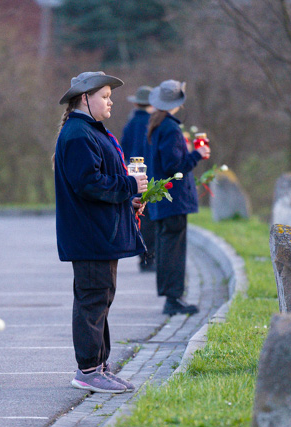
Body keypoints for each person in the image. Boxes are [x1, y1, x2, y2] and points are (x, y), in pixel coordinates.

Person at [54, 71, 148, 394]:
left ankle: (99, 366)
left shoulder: (88, 130)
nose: (110, 102)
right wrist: (129, 185)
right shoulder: (79, 134)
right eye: (105, 96)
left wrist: (129, 200)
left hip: (99, 234)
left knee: (101, 299)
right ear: (85, 98)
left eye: (110, 97)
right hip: (90, 236)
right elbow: (89, 184)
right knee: (93, 301)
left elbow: (101, 183)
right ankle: (88, 370)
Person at [146, 79, 210, 315]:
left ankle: (170, 298)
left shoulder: (157, 125)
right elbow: (175, 167)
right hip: (174, 200)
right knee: (173, 251)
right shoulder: (171, 128)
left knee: (165, 249)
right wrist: (196, 155)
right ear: (178, 103)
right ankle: (173, 300)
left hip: (162, 200)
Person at [120, 85, 157, 272]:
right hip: (152, 176)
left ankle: (143, 258)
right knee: (152, 219)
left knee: (140, 217)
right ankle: (151, 258)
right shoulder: (154, 122)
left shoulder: (131, 123)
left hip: (135, 175)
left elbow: (122, 149)